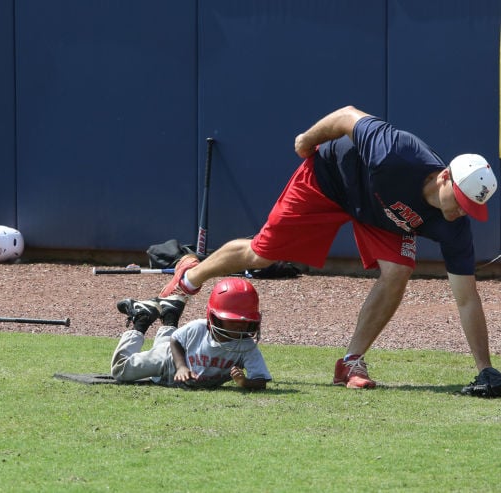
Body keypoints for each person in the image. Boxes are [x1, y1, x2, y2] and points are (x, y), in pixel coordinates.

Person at [158, 105, 501, 397]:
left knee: (398, 271)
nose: (461, 211)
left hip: (381, 216)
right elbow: (347, 115)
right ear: (444, 178)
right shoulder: (397, 153)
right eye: (460, 201)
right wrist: (308, 140)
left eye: (471, 208)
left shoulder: (455, 226)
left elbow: (467, 299)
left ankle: (350, 361)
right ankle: (190, 275)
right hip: (331, 178)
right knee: (262, 254)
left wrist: (485, 368)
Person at [110, 277, 272, 390]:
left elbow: (260, 380)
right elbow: (175, 341)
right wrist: (181, 367)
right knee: (120, 371)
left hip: (176, 370)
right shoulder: (199, 328)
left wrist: (245, 382)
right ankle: (141, 320)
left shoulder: (246, 346)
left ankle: (170, 313)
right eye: (233, 320)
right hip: (169, 359)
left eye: (246, 322)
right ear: (214, 317)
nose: (240, 327)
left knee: (159, 360)